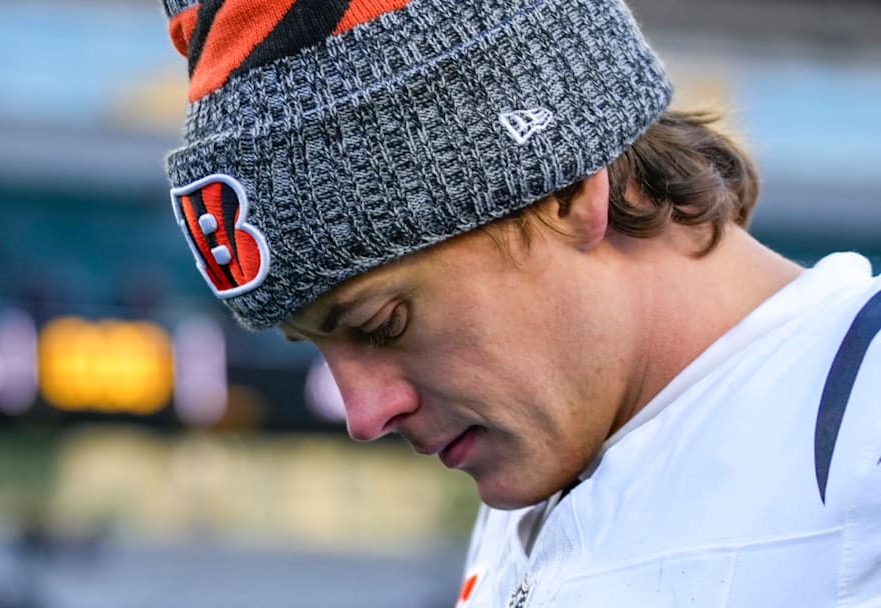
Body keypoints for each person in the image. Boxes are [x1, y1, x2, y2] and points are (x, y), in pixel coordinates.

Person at [159, 0, 881, 605]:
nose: (364, 413)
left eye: (385, 324)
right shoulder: (540, 471)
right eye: (316, 344)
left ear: (566, 190)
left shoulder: (861, 425)